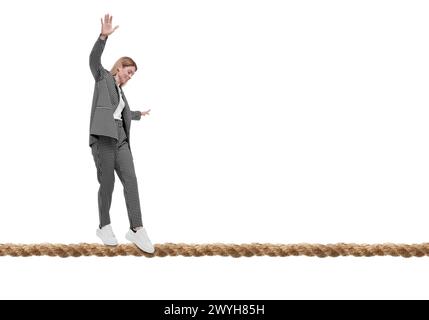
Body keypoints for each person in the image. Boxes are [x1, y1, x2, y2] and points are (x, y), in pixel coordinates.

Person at [89, 14, 154, 253]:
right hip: (104, 138)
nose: (130, 76)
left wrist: (138, 114)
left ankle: (136, 228)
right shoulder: (103, 77)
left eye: (133, 74)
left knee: (131, 181)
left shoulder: (121, 93)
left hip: (121, 140)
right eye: (129, 71)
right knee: (107, 184)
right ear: (119, 67)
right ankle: (104, 226)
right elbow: (93, 59)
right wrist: (103, 36)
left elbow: (122, 113)